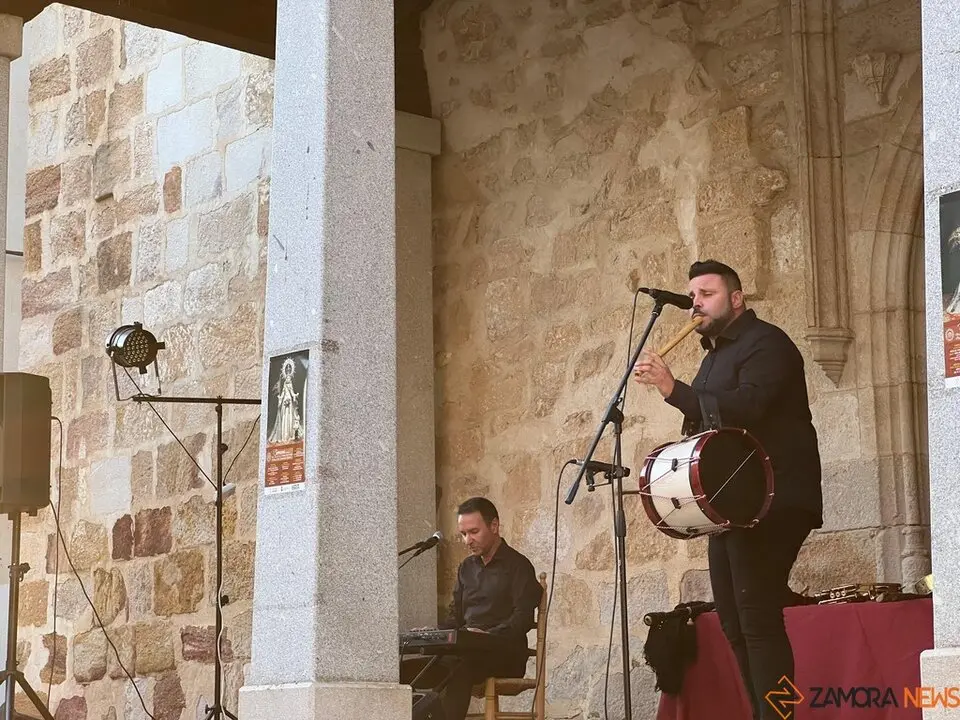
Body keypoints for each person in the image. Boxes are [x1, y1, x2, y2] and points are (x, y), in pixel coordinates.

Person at [633, 260, 823, 720]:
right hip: (732, 504)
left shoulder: (768, 343)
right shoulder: (712, 355)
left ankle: (781, 718)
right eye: (693, 294)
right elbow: (705, 427)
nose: (696, 302)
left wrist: (671, 387)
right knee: (734, 623)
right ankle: (764, 715)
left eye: (707, 293)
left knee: (758, 618)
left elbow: (746, 407)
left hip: (775, 496)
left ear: (736, 298)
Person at [401, 497, 542, 720]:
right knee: (404, 670)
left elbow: (522, 619)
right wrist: (434, 633)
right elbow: (454, 619)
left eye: (474, 532)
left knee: (460, 668)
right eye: (464, 534)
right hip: (466, 651)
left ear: (494, 526)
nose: (467, 540)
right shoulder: (466, 568)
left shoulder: (519, 566)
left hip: (504, 654)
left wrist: (488, 635)